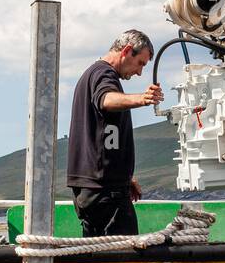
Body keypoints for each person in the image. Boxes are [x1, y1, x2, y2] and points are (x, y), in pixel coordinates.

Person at [66, 29, 163, 236]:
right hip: (104, 190)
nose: (139, 72)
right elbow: (106, 99)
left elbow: (104, 136)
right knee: (121, 258)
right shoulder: (103, 74)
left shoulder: (93, 74)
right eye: (140, 64)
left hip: (98, 186)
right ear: (127, 51)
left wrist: (125, 177)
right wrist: (142, 98)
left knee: (97, 253)